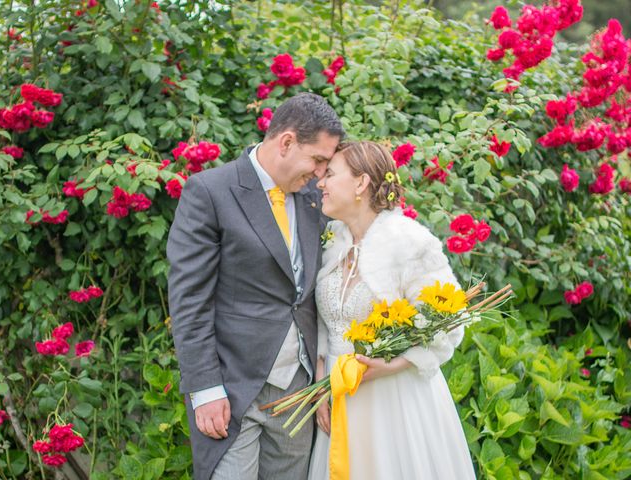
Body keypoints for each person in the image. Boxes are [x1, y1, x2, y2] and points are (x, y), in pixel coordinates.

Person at [167, 92, 344, 480]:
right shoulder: (210, 192)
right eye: (317, 160)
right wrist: (205, 389)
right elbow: (189, 301)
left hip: (298, 393)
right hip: (233, 389)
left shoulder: (316, 199)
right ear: (286, 142)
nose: (319, 174)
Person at [307, 141, 476, 479]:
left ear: (360, 183)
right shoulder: (332, 241)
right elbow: (327, 324)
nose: (320, 183)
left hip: (395, 403)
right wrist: (320, 384)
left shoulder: (408, 241)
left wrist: (393, 364)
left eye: (330, 175)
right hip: (338, 397)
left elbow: (450, 323)